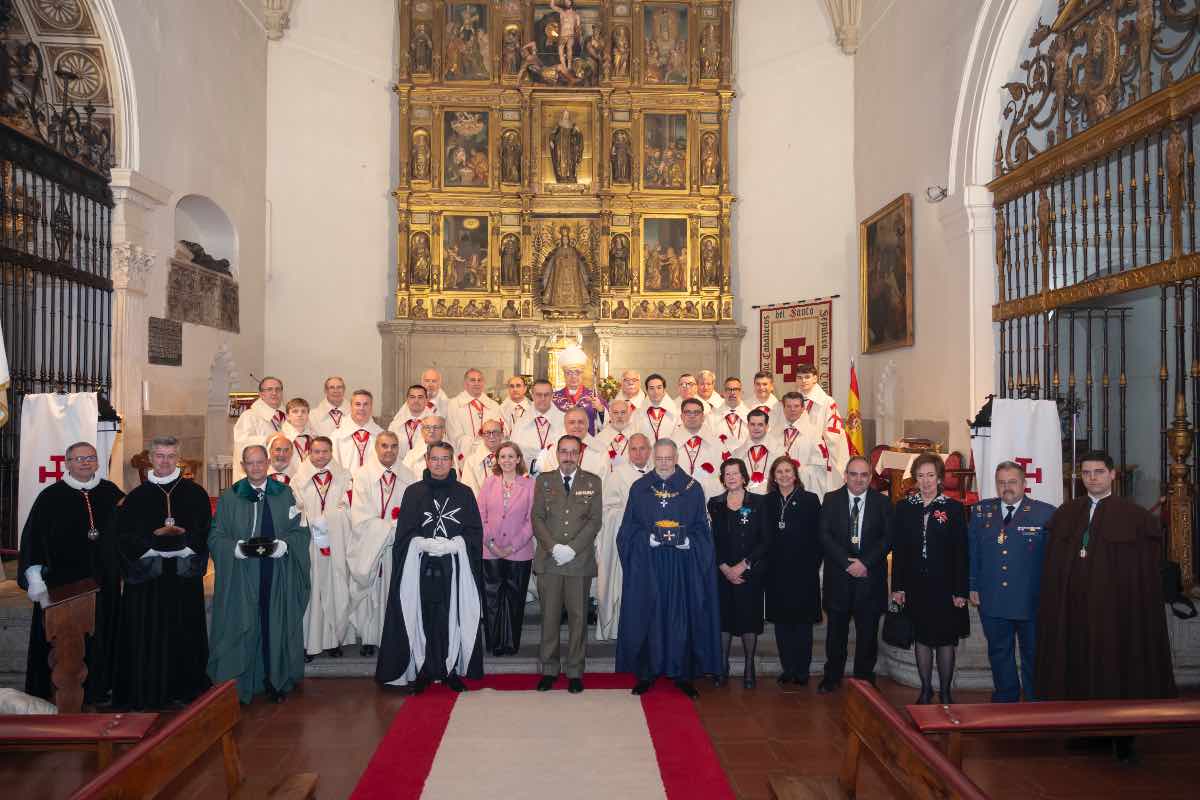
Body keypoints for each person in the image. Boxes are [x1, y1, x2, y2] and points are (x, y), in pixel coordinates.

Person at [1036, 450, 1175, 758]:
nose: (1092, 478)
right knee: (1079, 667)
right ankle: (1086, 730)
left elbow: (1142, 574)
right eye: (1086, 473)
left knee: (1117, 670)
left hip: (1117, 614)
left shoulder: (1135, 517)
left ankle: (1122, 735)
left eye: (1099, 472)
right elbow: (1055, 567)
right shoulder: (1067, 514)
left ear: (1113, 474)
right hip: (1076, 613)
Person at [18, 441, 123, 704]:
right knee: (64, 642)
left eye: (90, 458)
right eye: (79, 459)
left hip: (103, 583)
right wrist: (34, 577)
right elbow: (33, 538)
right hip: (62, 585)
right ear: (67, 463)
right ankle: (56, 693)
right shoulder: (50, 497)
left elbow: (131, 529)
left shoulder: (111, 493)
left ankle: (99, 690)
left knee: (101, 634)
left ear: (97, 462)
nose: (85, 463)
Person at [375, 442, 485, 692]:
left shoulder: (465, 493)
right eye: (434, 458)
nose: (439, 463)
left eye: (444, 458)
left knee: (451, 618)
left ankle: (450, 669)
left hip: (453, 568)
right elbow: (404, 532)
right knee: (422, 618)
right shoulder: (413, 492)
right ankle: (423, 669)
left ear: (451, 461)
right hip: (420, 567)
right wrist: (421, 543)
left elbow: (474, 531)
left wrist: (455, 544)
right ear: (426, 460)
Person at [616, 439, 721, 698]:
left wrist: (688, 542)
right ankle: (647, 673)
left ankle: (683, 675)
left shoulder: (692, 489)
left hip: (681, 566)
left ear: (676, 458)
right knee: (649, 616)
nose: (664, 463)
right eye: (660, 458)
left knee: (680, 618)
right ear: (654, 457)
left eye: (668, 458)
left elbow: (702, 530)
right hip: (649, 565)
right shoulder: (640, 488)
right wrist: (647, 539)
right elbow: (628, 530)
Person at [113, 436, 212, 709]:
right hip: (148, 580)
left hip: (182, 578)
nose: (165, 461)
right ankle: (149, 691)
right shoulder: (136, 497)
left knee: (184, 634)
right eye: (159, 456)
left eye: (170, 456)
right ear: (150, 459)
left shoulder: (196, 494)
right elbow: (123, 536)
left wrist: (183, 547)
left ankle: (185, 689)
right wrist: (152, 547)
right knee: (149, 636)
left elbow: (205, 530)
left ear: (178, 458)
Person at [208, 444, 311, 704]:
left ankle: (276, 681)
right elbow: (216, 536)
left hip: (276, 574)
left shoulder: (284, 493)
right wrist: (236, 549)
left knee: (274, 624)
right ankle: (243, 685)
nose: (255, 467)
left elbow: (301, 530)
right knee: (245, 625)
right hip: (243, 575)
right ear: (243, 466)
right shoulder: (231, 497)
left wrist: (285, 545)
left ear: (268, 463)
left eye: (260, 462)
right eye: (250, 463)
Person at [968, 461, 1053, 703]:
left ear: (1024, 484)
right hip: (993, 596)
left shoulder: (1045, 513)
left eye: (1012, 482)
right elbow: (973, 551)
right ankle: (1006, 698)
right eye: (1001, 482)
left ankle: (1035, 701)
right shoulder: (981, 511)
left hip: (1030, 599)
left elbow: (1053, 559)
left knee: (1033, 654)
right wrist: (973, 585)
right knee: (999, 652)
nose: (1007, 487)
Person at [891, 453, 969, 705]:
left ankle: (945, 691)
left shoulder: (953, 508)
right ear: (915, 478)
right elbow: (899, 551)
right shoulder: (905, 507)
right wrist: (897, 587)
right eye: (921, 476)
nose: (925, 481)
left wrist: (961, 590)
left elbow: (961, 552)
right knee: (922, 639)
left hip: (945, 586)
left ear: (939, 478)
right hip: (916, 585)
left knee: (945, 641)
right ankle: (925, 689)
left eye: (930, 476)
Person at [532, 435, 603, 693]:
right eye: (564, 451)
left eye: (573, 452)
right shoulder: (544, 480)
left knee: (578, 618)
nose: (568, 457)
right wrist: (554, 547)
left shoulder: (592, 482)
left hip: (578, 561)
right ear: (557, 454)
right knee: (549, 618)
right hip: (550, 560)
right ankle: (549, 670)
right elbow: (537, 518)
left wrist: (572, 549)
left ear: (580, 454)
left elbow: (595, 521)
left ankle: (575, 671)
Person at [818, 455, 892, 693]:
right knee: (835, 633)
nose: (858, 479)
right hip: (839, 577)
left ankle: (864, 680)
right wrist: (846, 563)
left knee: (868, 634)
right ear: (845, 476)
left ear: (870, 478)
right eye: (853, 474)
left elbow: (888, 538)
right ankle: (832, 677)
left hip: (869, 577)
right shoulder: (830, 499)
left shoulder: (882, 502)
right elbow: (824, 535)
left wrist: (864, 563)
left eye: (863, 475)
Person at [348, 432, 416, 656]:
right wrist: (387, 528)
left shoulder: (408, 475)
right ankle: (369, 638)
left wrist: (398, 528)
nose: (389, 450)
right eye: (384, 446)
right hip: (371, 545)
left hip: (396, 545)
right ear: (376, 448)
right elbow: (360, 514)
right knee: (372, 593)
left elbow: (413, 509)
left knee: (393, 592)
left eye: (394, 446)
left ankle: (392, 637)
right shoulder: (363, 475)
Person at [708, 458, 770, 688]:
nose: (731, 477)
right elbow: (711, 540)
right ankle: (722, 666)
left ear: (744, 477)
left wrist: (744, 565)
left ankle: (749, 667)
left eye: (735, 473)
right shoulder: (714, 503)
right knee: (724, 620)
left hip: (749, 573)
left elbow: (765, 540)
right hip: (722, 572)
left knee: (749, 620)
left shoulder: (759, 503)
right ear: (722, 479)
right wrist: (724, 567)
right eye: (727, 474)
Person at [293, 436, 354, 661]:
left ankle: (334, 640)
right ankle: (309, 642)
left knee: (335, 589)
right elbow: (295, 508)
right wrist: (311, 520)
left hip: (335, 542)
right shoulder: (298, 479)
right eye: (316, 451)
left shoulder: (344, 476)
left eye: (325, 451)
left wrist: (329, 520)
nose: (321, 456)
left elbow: (349, 506)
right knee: (312, 591)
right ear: (309, 453)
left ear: (331, 452)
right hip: (310, 543)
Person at [764, 456, 823, 686]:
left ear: (795, 474)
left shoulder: (810, 499)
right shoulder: (767, 501)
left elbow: (819, 537)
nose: (784, 475)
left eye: (788, 471)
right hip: (776, 573)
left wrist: (812, 565)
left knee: (802, 624)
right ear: (773, 476)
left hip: (803, 573)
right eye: (779, 472)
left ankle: (802, 670)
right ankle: (787, 669)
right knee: (782, 624)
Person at [478, 441, 535, 655]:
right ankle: (494, 643)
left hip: (519, 552)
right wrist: (492, 545)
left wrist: (512, 547)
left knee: (515, 600)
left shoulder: (530, 485)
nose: (507, 460)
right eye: (503, 456)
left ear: (518, 459)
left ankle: (510, 644)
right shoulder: (488, 483)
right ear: (497, 460)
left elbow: (532, 520)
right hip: (489, 551)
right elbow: (480, 516)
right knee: (491, 599)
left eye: (511, 456)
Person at [597, 433, 652, 641]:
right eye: (633, 449)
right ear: (628, 452)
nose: (638, 453)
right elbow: (606, 509)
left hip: (652, 543)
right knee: (623, 584)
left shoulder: (658, 473)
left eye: (642, 448)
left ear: (650, 450)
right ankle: (621, 629)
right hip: (626, 540)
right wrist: (629, 514)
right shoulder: (617, 475)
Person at [775, 390, 847, 498]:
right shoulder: (775, 433)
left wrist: (796, 472)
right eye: (788, 406)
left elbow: (820, 466)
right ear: (783, 408)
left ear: (802, 408)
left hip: (805, 488)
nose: (792, 410)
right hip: (779, 488)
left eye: (796, 406)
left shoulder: (815, 433)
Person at [671, 397, 726, 498]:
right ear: (681, 416)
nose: (692, 416)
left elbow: (725, 474)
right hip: (677, 497)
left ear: (703, 417)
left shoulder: (717, 444)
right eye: (688, 412)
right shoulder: (669, 444)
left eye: (696, 412)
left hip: (709, 497)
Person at [233, 376, 285, 480]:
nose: (274, 393)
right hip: (257, 475)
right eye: (269, 389)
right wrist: (267, 439)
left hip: (282, 473)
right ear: (261, 394)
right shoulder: (249, 416)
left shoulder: (286, 416)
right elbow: (241, 442)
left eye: (278, 389)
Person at [537, 407, 610, 477]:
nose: (576, 426)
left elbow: (604, 481)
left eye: (581, 422)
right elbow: (549, 478)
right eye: (572, 422)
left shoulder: (601, 451)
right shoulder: (553, 450)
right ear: (565, 425)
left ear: (588, 424)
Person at [511, 379, 565, 474]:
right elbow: (513, 453)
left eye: (546, 395)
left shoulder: (564, 420)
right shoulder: (520, 423)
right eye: (539, 395)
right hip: (527, 475)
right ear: (532, 395)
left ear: (552, 395)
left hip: (557, 476)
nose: (543, 398)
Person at [446, 368, 502, 454]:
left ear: (483, 383)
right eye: (472, 380)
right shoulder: (454, 405)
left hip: (490, 454)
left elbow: (497, 433)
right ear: (465, 384)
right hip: (463, 455)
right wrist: (477, 448)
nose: (476, 383)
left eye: (479, 380)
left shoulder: (494, 406)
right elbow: (454, 435)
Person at [333, 389, 385, 479]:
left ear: (371, 407)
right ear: (351, 407)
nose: (361, 408)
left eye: (366, 404)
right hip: (346, 485)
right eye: (358, 404)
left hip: (373, 485)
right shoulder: (337, 436)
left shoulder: (381, 436)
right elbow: (334, 468)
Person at [553, 348, 602, 435]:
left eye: (577, 372)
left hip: (587, 442)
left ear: (582, 374)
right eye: (569, 373)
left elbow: (607, 423)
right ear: (563, 375)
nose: (573, 377)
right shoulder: (554, 398)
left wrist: (601, 410)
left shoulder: (593, 397)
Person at [733, 408, 778, 494]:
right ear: (748, 426)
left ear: (767, 427)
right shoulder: (737, 453)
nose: (756, 428)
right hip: (745, 497)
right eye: (752, 424)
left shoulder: (779, 451)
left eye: (760, 425)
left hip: (771, 497)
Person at [459, 418, 505, 495]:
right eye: (487, 433)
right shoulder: (471, 462)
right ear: (482, 436)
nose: (491, 436)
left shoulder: (512, 458)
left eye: (495, 432)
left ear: (502, 435)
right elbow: (469, 491)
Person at [388, 384, 432, 459]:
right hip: (400, 465)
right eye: (412, 397)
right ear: (407, 400)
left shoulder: (435, 425)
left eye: (420, 397)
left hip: (424, 465)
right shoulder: (395, 425)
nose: (416, 400)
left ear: (426, 400)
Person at [594, 396, 636, 468]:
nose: (619, 416)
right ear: (610, 415)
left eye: (623, 412)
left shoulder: (638, 437)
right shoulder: (599, 439)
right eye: (616, 413)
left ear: (629, 414)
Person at [710, 376, 750, 451]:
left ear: (741, 392)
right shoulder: (712, 415)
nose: (732, 393)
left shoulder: (750, 414)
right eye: (728, 389)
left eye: (736, 389)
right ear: (723, 392)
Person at [637, 373, 677, 442]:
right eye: (651, 388)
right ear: (647, 390)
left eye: (659, 387)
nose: (656, 392)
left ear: (664, 389)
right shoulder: (638, 413)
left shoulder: (676, 412)